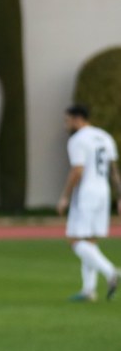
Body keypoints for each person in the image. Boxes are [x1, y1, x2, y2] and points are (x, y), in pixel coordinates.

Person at [57, 104, 121, 301]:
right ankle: (88, 290)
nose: (66, 125)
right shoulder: (105, 137)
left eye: (67, 120)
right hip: (103, 192)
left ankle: (110, 271)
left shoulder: (78, 140)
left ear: (78, 119)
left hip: (86, 193)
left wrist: (65, 196)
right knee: (90, 242)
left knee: (75, 240)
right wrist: (119, 196)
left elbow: (77, 170)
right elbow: (113, 170)